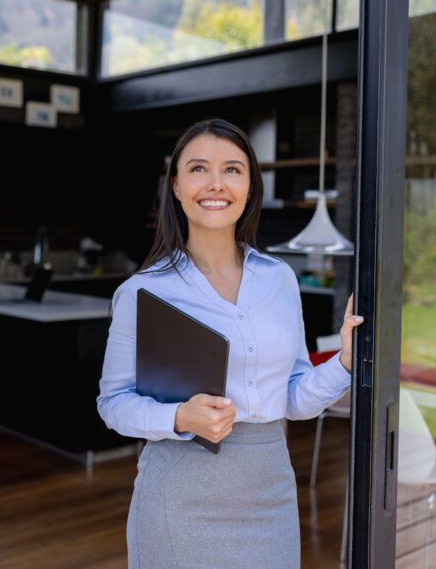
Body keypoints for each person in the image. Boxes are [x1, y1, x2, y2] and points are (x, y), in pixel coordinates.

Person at [95, 118, 364, 569]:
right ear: (176, 186)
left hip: (270, 491)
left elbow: (294, 398)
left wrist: (344, 362)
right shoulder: (144, 292)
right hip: (179, 495)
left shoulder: (280, 278)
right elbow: (113, 403)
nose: (215, 184)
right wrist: (179, 415)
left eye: (232, 170)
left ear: (250, 186)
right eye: (198, 169)